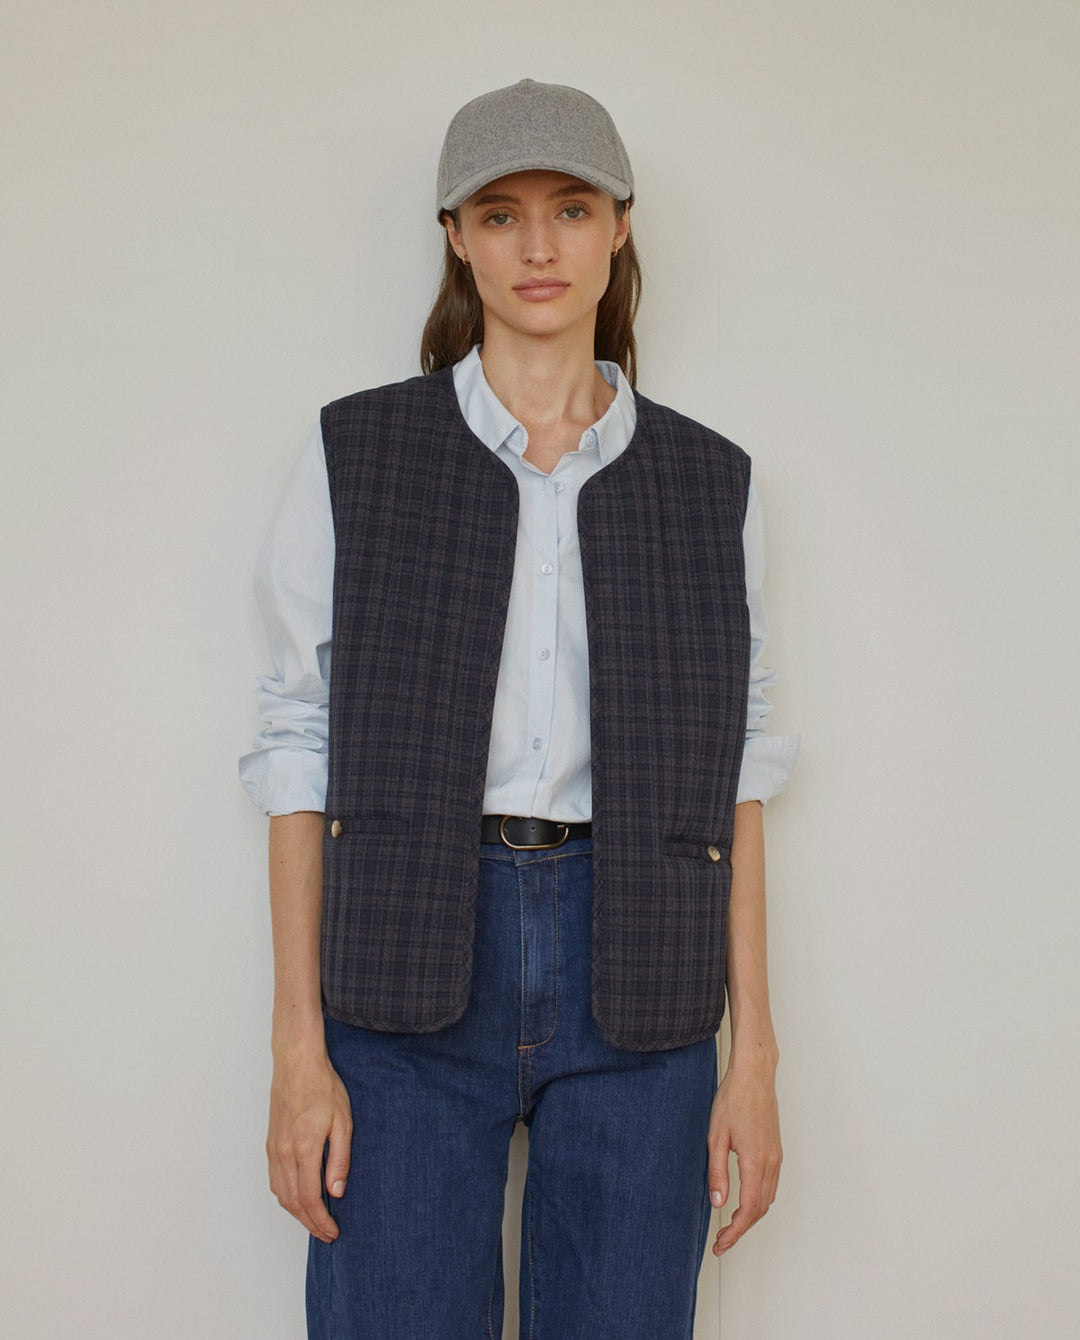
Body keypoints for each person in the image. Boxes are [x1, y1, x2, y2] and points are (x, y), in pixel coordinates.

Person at [240, 77, 799, 1340]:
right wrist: (296, 1049)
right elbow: (296, 742)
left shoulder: (711, 481)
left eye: (571, 208)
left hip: (643, 968)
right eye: (500, 213)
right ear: (456, 236)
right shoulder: (357, 454)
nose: (538, 245)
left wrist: (755, 1055)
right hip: (403, 959)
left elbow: (738, 771)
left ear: (619, 226)